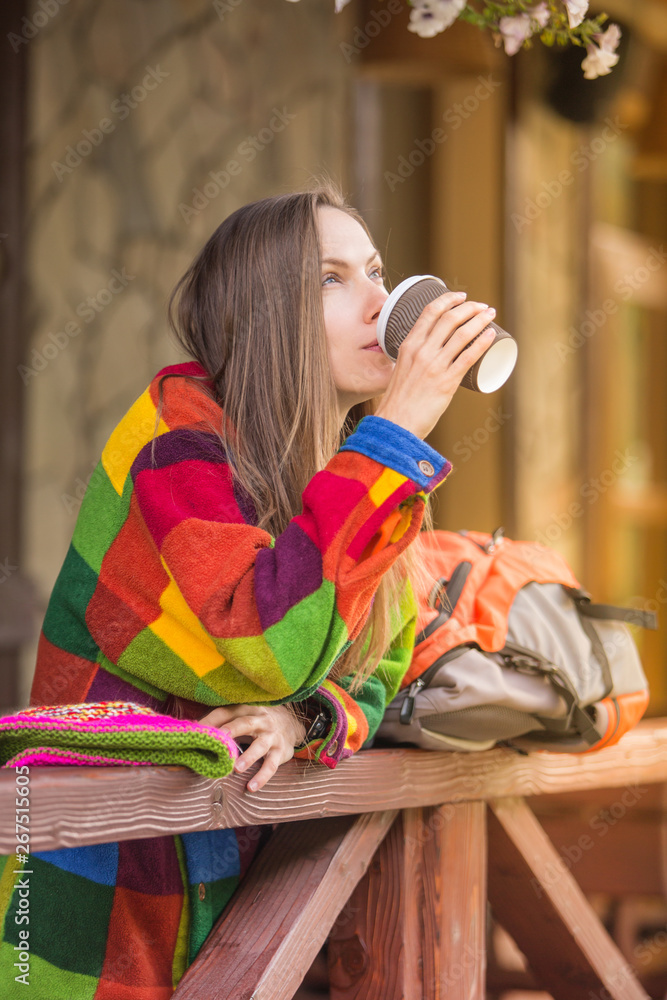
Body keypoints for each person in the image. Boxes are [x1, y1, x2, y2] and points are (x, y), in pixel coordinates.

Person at [0, 182, 496, 997]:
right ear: (265, 315)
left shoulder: (344, 465)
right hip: (98, 884)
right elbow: (266, 643)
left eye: (376, 269)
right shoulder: (173, 442)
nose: (380, 301)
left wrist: (300, 716)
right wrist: (396, 437)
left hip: (237, 880)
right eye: (332, 278)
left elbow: (381, 660)